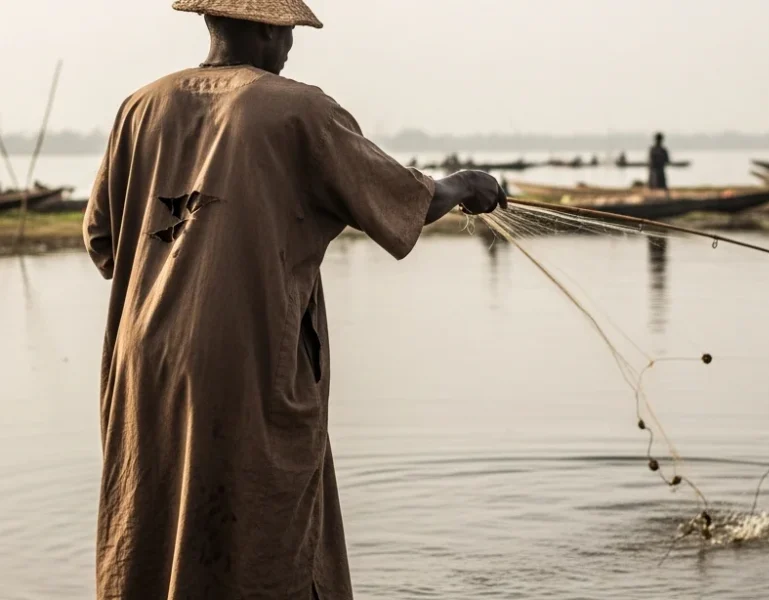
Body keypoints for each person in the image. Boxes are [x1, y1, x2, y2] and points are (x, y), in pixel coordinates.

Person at [82, 2, 505, 599]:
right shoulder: (298, 109)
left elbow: (103, 245)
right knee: (267, 528)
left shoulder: (141, 106)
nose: (289, 48)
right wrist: (465, 185)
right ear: (261, 28)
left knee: (151, 519)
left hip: (142, 364)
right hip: (246, 358)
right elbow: (400, 198)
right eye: (286, 33)